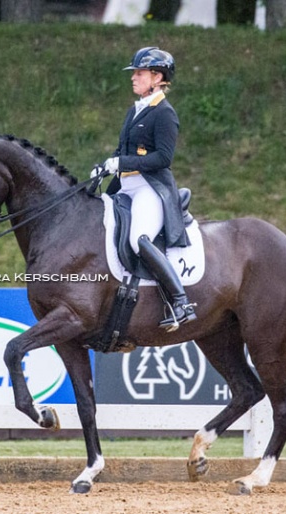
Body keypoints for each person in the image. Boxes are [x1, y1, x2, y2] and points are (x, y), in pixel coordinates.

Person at [91, 46, 196, 332]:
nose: (133, 78)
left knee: (139, 238)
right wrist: (105, 167)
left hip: (150, 188)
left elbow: (163, 158)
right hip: (125, 186)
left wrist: (121, 161)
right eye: (134, 73)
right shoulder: (134, 109)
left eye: (139, 73)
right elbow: (121, 148)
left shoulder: (164, 113)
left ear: (157, 77)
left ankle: (180, 301)